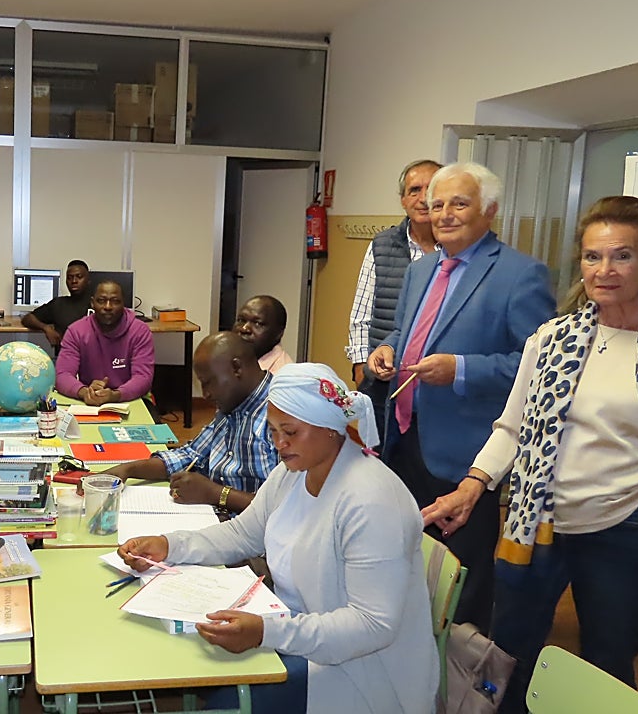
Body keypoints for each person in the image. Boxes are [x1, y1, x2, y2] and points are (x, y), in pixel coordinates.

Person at [422, 195, 638, 712]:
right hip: (537, 524)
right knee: (508, 656)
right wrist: (472, 487)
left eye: (622, 256)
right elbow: (512, 427)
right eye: (592, 256)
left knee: (607, 664)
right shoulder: (553, 339)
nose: (604, 270)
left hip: (628, 529)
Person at [119, 363, 438, 714]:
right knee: (201, 667)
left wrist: (265, 633)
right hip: (301, 635)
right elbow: (243, 534)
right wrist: (170, 545)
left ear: (330, 428)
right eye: (272, 431)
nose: (279, 444)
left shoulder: (371, 501)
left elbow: (372, 626)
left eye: (290, 431)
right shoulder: (294, 473)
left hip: (360, 670)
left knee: (224, 699)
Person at [366, 161, 554, 630]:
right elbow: (404, 328)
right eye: (436, 204)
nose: (444, 214)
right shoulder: (423, 268)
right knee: (404, 558)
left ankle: (460, 680)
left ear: (489, 210)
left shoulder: (520, 274)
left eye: (459, 203)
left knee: (462, 581)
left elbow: (539, 370)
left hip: (466, 455)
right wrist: (389, 346)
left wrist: (462, 369)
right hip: (404, 438)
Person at [106, 332, 275, 514]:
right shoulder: (232, 402)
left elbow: (285, 508)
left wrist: (216, 493)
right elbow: (190, 455)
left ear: (236, 368)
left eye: (208, 383)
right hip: (211, 516)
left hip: (253, 533)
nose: (205, 394)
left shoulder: (282, 416)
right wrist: (128, 469)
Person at [346, 159, 440, 443]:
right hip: (382, 382)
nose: (423, 198)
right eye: (414, 190)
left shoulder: (457, 250)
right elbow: (361, 313)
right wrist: (360, 367)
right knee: (378, 460)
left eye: (432, 189)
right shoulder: (382, 245)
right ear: (403, 199)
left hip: (434, 387)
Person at [55, 279, 155, 406]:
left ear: (123, 304)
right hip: (89, 398)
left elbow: (143, 378)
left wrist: (115, 395)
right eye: (101, 301)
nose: (108, 307)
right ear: (92, 303)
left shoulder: (140, 331)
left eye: (115, 301)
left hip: (130, 398)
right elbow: (62, 375)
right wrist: (85, 392)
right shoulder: (76, 331)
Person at [21, 259, 92, 357]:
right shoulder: (58, 304)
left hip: (91, 360)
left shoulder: (97, 304)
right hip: (65, 360)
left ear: (88, 280)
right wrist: (46, 328)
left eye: (79, 277)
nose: (74, 281)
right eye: (70, 278)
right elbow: (28, 318)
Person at [234, 294, 293, 374]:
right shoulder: (229, 360)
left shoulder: (283, 378)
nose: (244, 329)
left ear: (279, 333)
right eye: (241, 320)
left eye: (257, 323)